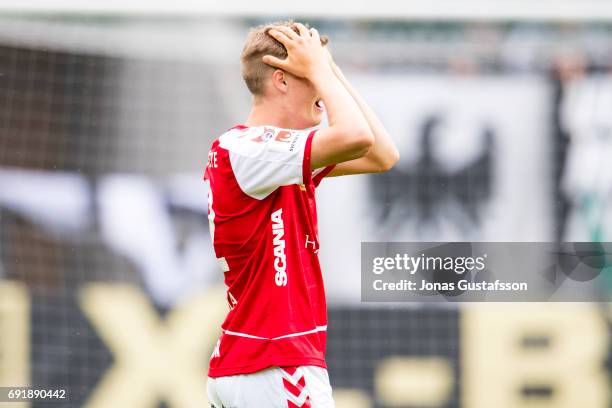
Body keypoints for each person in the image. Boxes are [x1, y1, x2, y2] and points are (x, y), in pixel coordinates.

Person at [204, 20, 399, 408]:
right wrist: (322, 71)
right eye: (311, 76)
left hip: (253, 366)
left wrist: (330, 71)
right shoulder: (249, 147)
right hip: (276, 365)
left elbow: (381, 154)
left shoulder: (278, 154)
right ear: (281, 81)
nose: (324, 93)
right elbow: (356, 136)